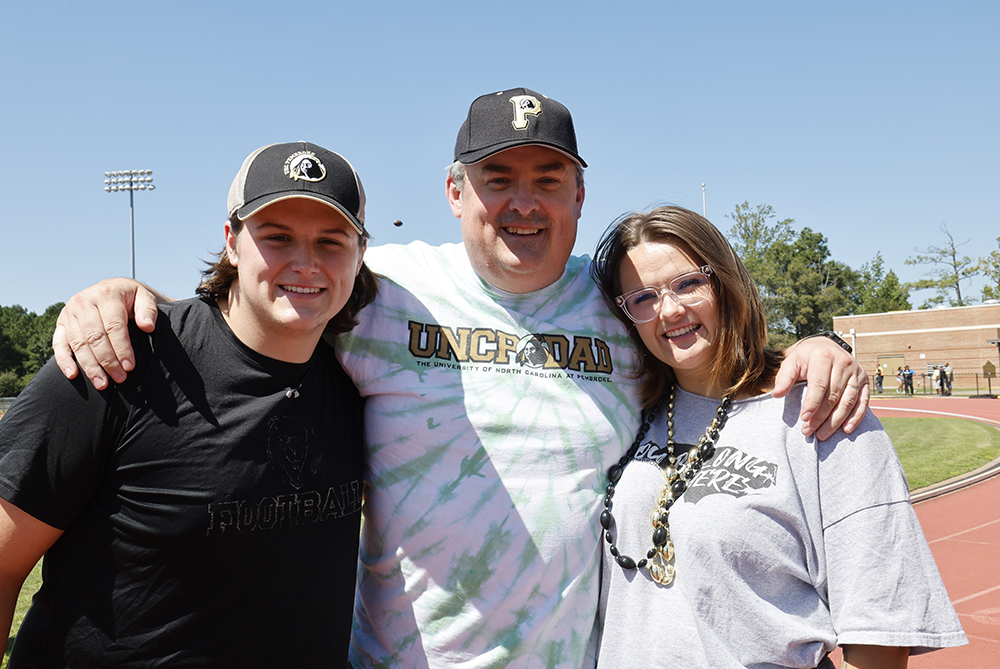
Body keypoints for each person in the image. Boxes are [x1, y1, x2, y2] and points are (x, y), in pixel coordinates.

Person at [50, 89, 870, 668]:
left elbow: (702, 338)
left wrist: (813, 345)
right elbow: (263, 301)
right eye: (497, 179)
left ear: (580, 194)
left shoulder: (617, 303)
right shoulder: (383, 289)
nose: (523, 203)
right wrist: (119, 297)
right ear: (454, 191)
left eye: (548, 180)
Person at [0, 141, 377, 666]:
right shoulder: (122, 358)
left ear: (361, 253)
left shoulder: (365, 376)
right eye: (277, 237)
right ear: (232, 242)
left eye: (331, 241)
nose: (305, 263)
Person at [590, 206, 965, 668]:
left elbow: (879, 635)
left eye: (688, 283)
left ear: (726, 283)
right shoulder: (629, 411)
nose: (669, 310)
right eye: (643, 298)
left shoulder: (823, 415)